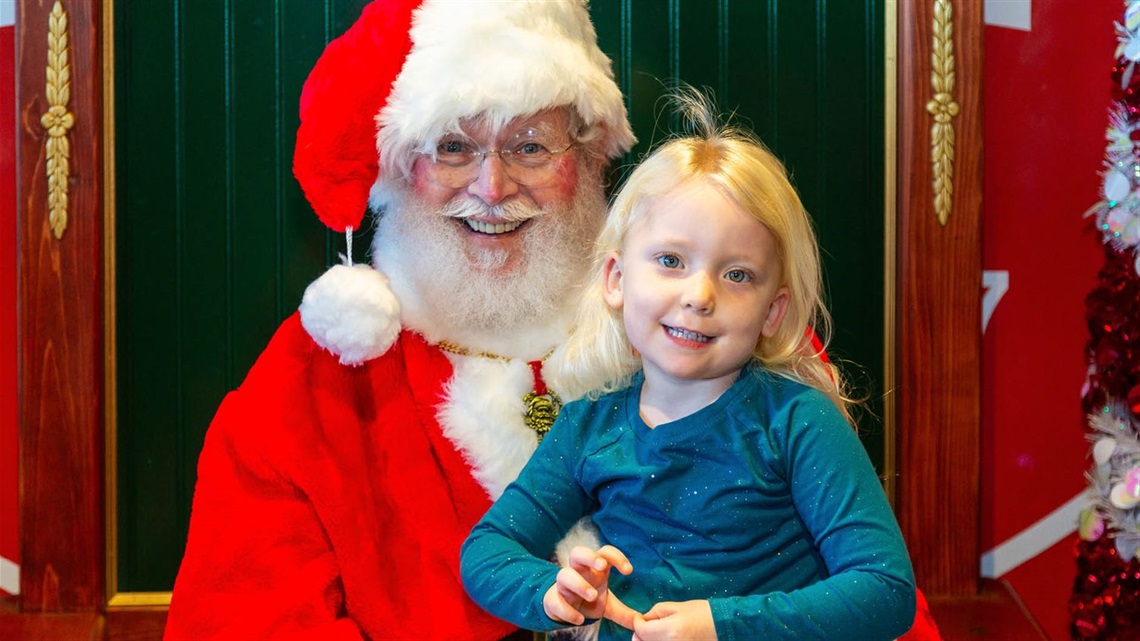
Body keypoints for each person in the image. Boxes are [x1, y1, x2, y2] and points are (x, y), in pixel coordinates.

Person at [164, 1, 634, 639]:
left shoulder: (684, 322)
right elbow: (243, 618)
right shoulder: (313, 377)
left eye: (530, 146)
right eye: (452, 148)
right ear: (400, 167)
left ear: (588, 159)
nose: (491, 188)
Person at [460, 88, 918, 641]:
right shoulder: (588, 426)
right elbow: (486, 551)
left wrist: (721, 625)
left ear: (773, 312)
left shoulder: (798, 421)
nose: (700, 295)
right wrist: (553, 593)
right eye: (671, 261)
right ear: (616, 280)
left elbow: (885, 590)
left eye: (737, 275)